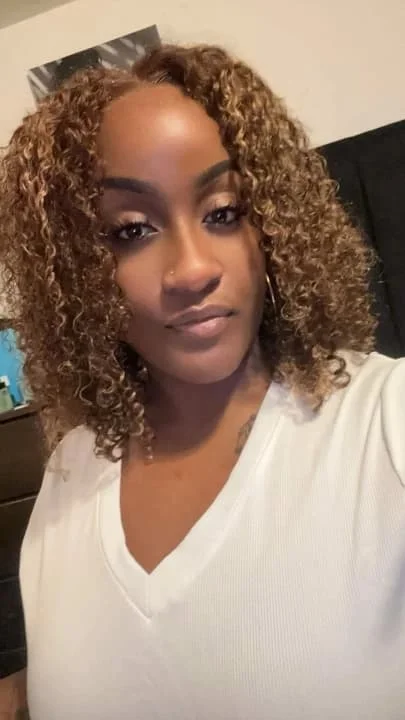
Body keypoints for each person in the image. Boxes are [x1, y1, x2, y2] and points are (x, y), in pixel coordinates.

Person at [0, 43, 404, 720]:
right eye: (131, 230)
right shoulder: (73, 468)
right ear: (75, 271)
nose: (192, 269)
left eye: (223, 213)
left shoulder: (384, 424)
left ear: (274, 226)